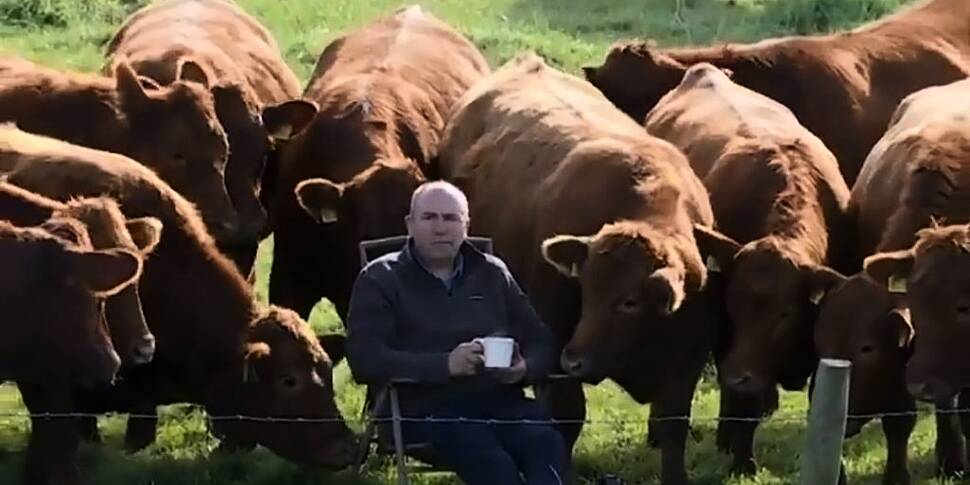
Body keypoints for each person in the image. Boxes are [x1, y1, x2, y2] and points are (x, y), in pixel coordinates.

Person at [345, 180, 568, 485]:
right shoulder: (380, 278)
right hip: (424, 410)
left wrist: (523, 369)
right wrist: (445, 364)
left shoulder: (492, 272)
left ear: (466, 225)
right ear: (410, 224)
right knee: (493, 464)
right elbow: (364, 358)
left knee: (547, 444)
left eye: (451, 218)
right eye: (430, 217)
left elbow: (541, 340)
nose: (441, 228)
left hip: (500, 402)